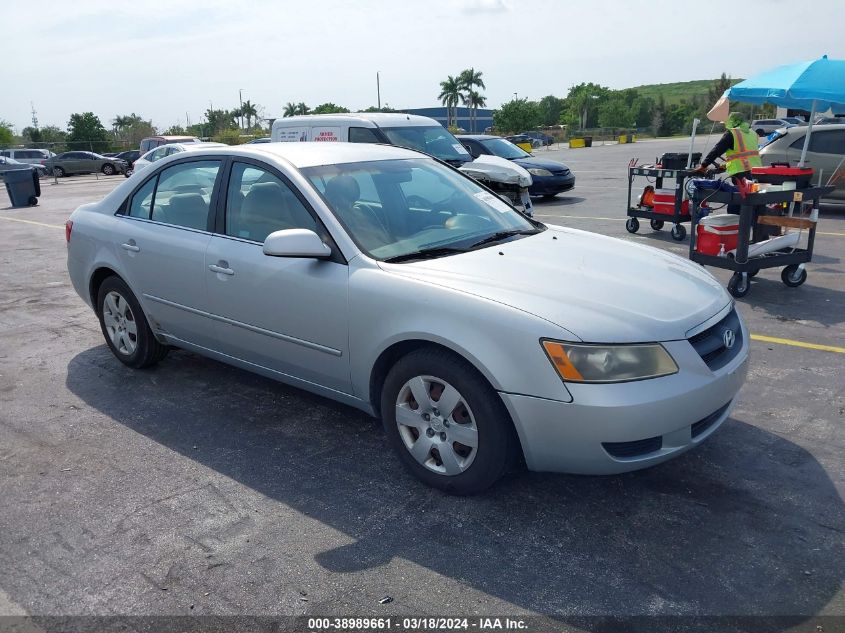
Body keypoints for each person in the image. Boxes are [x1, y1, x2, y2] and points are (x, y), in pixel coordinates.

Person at [694, 111, 762, 179]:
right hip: (757, 171)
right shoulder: (753, 133)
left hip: (741, 172)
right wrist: (725, 164)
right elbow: (744, 154)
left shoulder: (732, 133)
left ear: (733, 122)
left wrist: (703, 166)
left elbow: (717, 150)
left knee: (740, 189)